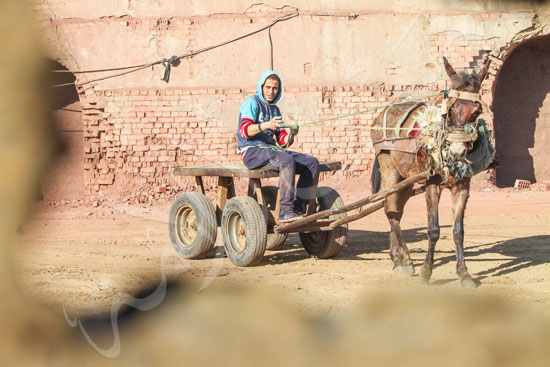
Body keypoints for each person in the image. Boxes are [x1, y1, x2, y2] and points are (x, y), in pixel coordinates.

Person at [237, 70, 320, 223]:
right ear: (261, 87)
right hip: (251, 151)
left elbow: (282, 142)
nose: (271, 92)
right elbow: (245, 131)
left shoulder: (275, 109)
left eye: (275, 88)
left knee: (312, 162)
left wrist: (291, 134)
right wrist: (266, 125)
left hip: (271, 151)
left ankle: (296, 208)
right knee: (286, 159)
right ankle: (285, 211)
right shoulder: (252, 103)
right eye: (268, 87)